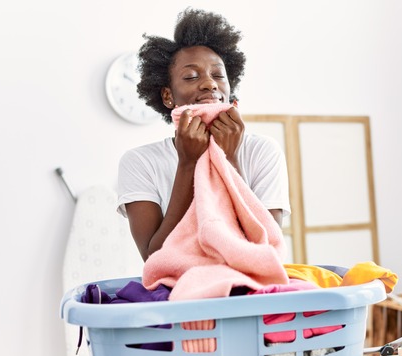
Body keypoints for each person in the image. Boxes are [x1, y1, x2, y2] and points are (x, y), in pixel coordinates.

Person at [117, 8, 290, 261]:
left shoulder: (262, 151)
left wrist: (228, 160)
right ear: (168, 96)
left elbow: (265, 248)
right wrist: (188, 163)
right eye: (191, 76)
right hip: (179, 295)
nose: (210, 83)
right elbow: (155, 257)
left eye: (218, 75)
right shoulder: (140, 162)